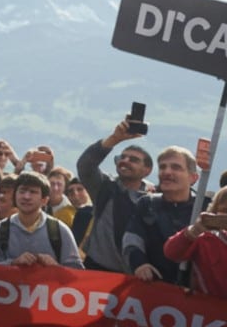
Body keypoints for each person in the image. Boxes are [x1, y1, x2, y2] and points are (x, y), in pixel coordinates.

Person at [76, 117, 154, 272]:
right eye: (122, 157)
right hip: (95, 268)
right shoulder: (105, 187)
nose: (125, 161)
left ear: (147, 170)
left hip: (135, 273)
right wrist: (115, 138)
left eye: (133, 160)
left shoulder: (152, 200)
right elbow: (85, 166)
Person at [123, 146, 199, 284]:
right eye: (163, 167)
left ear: (193, 177)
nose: (167, 172)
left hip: (195, 291)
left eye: (176, 167)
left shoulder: (204, 208)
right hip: (152, 286)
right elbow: (132, 239)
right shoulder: (147, 204)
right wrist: (139, 264)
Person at [0, 172, 83, 268]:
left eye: (33, 192)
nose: (26, 197)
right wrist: (13, 263)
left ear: (44, 200)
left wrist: (55, 266)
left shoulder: (59, 230)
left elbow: (77, 271)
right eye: (22, 191)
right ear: (15, 196)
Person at [163, 186, 227, 298]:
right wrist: (194, 230)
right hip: (206, 305)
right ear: (215, 212)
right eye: (225, 210)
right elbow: (171, 252)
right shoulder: (205, 238)